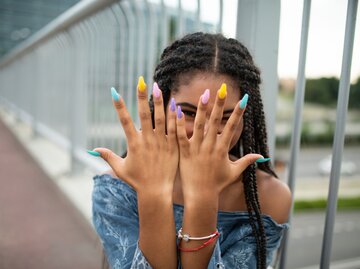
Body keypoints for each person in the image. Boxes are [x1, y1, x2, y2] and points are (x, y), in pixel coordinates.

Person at [88, 32, 292, 269]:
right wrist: (153, 193)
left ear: (245, 118)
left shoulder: (270, 197)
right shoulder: (115, 191)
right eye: (189, 112)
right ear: (161, 106)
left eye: (224, 117)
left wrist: (202, 194)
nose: (204, 130)